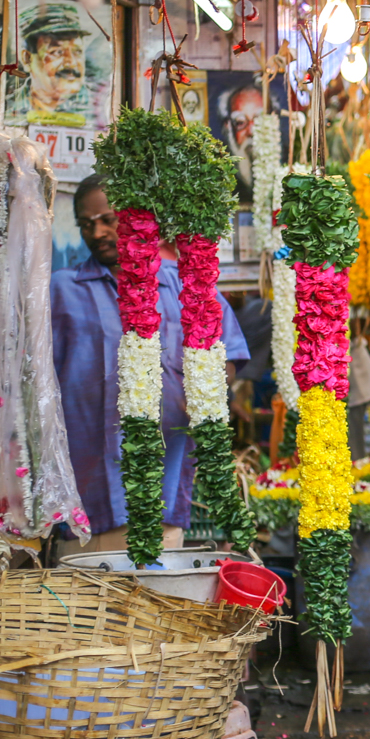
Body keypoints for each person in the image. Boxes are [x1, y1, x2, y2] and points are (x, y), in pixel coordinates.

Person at [51, 172, 249, 551]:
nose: (97, 233)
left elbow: (225, 352)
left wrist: (203, 397)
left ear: (136, 217)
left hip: (165, 482)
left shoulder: (185, 285)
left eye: (108, 220)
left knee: (153, 599)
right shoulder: (62, 290)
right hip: (87, 494)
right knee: (94, 605)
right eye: (86, 225)